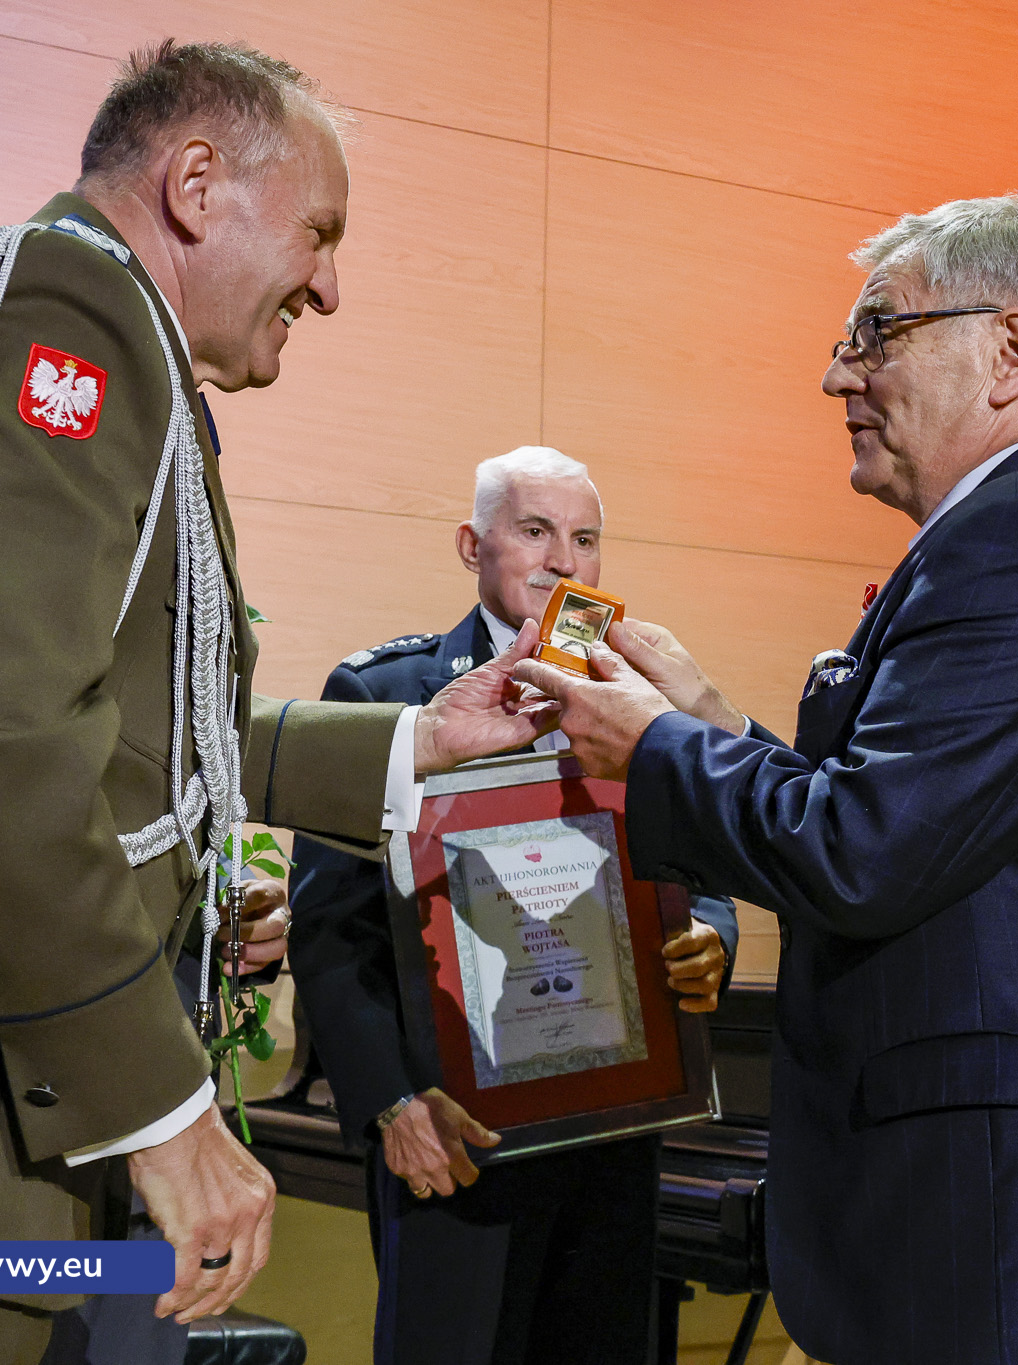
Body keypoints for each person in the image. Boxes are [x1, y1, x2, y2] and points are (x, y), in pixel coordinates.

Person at [0, 41, 549, 1365]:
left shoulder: (77, 319)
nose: (331, 280)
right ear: (195, 181)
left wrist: (419, 741)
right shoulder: (62, 310)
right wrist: (166, 1112)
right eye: (318, 230)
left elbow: (117, 728)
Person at [513, 193, 1018, 1365]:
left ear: (1009, 350)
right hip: (997, 1210)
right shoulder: (1015, 533)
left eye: (874, 335)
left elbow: (860, 851)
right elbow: (900, 820)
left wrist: (654, 746)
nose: (833, 377)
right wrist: (710, 721)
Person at [287, 445, 738, 1365]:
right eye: (535, 531)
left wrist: (709, 936)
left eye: (585, 538)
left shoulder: (641, 703)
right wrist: (389, 1104)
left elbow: (709, 869)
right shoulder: (386, 696)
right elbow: (330, 930)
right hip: (457, 1137)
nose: (564, 562)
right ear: (472, 545)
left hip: (615, 1131)